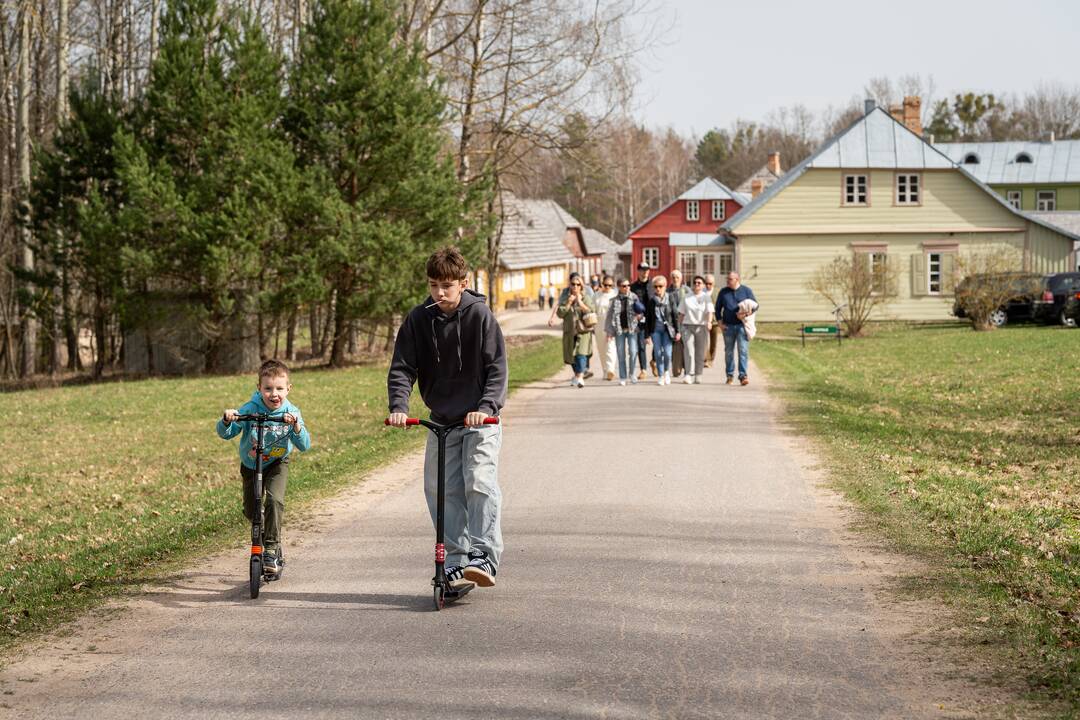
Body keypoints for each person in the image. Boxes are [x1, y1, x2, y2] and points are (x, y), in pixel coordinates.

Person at [388, 246, 507, 589]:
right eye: (433, 285)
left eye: (447, 285)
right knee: (440, 490)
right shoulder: (418, 319)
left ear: (463, 283)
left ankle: (484, 555)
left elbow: (497, 368)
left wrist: (485, 408)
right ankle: (456, 560)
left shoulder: (479, 316)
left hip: (479, 420)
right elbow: (402, 367)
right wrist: (399, 406)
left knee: (479, 481)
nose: (440, 293)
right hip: (441, 418)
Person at [218, 359, 312, 576]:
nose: (274, 394)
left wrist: (296, 426)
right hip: (251, 465)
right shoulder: (250, 408)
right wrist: (227, 420)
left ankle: (270, 548)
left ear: (289, 388)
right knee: (251, 509)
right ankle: (263, 530)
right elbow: (227, 433)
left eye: (279, 388)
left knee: (274, 500)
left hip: (278, 463)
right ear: (259, 388)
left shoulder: (292, 412)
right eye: (268, 388)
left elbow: (304, 445)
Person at [716, 271, 758, 386]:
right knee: (729, 352)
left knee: (743, 351)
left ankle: (743, 376)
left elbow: (755, 306)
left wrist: (745, 315)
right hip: (728, 327)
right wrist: (720, 324)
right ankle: (729, 375)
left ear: (737, 280)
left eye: (730, 279)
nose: (727, 281)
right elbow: (718, 309)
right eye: (727, 279)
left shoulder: (746, 291)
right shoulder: (723, 292)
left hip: (741, 326)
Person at [556, 275, 596, 388]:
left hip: (583, 331)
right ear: (570, 285)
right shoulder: (565, 298)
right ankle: (577, 375)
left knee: (581, 355)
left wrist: (580, 303)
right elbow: (560, 314)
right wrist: (568, 303)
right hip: (570, 331)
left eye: (578, 284)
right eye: (573, 284)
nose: (575, 286)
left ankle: (580, 377)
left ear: (581, 286)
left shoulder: (586, 297)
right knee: (571, 356)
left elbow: (592, 310)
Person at [606, 278, 644, 385]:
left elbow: (641, 312)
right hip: (619, 330)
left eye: (628, 285)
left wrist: (639, 316)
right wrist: (609, 332)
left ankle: (632, 374)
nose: (627, 288)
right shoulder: (614, 300)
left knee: (633, 352)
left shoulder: (634, 297)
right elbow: (609, 317)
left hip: (632, 329)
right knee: (621, 354)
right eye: (624, 286)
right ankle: (622, 377)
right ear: (619, 287)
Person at [645, 275, 680, 386]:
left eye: (660, 286)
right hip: (655, 331)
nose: (658, 289)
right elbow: (648, 319)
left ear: (665, 286)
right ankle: (660, 376)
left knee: (668, 353)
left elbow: (675, 315)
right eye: (655, 287)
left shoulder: (670, 298)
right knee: (658, 353)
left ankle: (666, 372)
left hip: (667, 330)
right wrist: (647, 335)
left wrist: (678, 331)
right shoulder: (651, 301)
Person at [678, 275, 714, 384]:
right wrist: (679, 329)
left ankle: (698, 374)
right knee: (689, 350)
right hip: (687, 326)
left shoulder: (706, 297)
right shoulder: (687, 297)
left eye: (699, 283)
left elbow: (710, 311)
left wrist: (709, 322)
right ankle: (689, 374)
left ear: (703, 285)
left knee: (700, 351)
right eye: (695, 282)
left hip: (701, 326)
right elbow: (681, 313)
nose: (697, 284)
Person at [629, 263, 654, 379]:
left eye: (647, 270)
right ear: (638, 271)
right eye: (643, 270)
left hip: (653, 318)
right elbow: (630, 304)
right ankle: (643, 369)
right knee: (641, 345)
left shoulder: (654, 285)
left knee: (658, 344)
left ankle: (654, 361)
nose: (645, 272)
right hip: (640, 319)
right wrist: (635, 314)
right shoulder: (632, 287)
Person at [593, 276, 618, 381]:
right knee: (601, 348)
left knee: (610, 347)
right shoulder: (596, 295)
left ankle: (610, 370)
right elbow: (593, 309)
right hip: (598, 324)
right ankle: (605, 371)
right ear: (602, 284)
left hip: (611, 324)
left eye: (610, 285)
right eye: (605, 285)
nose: (607, 287)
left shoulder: (615, 295)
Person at [668, 270, 689, 378]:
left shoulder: (686, 290)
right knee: (675, 347)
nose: (675, 279)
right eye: (673, 277)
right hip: (672, 324)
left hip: (685, 323)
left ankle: (687, 371)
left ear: (681, 279)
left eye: (677, 277)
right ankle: (676, 368)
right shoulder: (668, 291)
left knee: (686, 347)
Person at [704, 274, 720, 368]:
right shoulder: (702, 292)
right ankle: (706, 359)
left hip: (715, 321)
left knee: (713, 342)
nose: (708, 285)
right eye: (706, 283)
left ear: (713, 283)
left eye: (710, 283)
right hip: (704, 320)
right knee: (704, 341)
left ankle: (711, 360)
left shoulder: (718, 292)